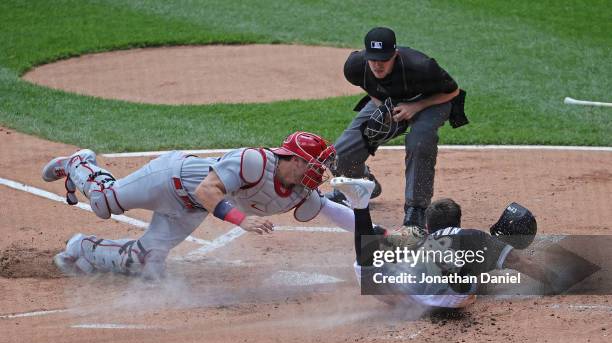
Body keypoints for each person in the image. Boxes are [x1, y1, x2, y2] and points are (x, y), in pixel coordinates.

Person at [42, 132, 358, 279]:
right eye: (313, 163)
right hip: (170, 179)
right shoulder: (253, 162)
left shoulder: (299, 193)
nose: (319, 171)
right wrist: (241, 221)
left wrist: (384, 236)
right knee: (103, 202)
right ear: (293, 158)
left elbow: (340, 216)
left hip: (188, 209)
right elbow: (208, 191)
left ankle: (81, 250)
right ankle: (79, 163)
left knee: (146, 262)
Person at [328, 177, 572, 309]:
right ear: (457, 221)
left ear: (428, 226)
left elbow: (379, 233)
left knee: (367, 263)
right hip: (448, 296)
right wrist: (555, 280)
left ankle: (360, 207)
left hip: (402, 290)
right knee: (470, 269)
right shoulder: (474, 236)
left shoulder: (416, 234)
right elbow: (520, 261)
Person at [327, 27, 468, 230]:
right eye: (373, 58)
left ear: (395, 54)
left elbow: (452, 91)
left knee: (419, 140)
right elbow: (369, 86)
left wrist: (415, 107)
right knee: (339, 153)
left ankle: (416, 209)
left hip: (431, 102)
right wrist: (382, 107)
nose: (377, 65)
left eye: (383, 59)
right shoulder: (355, 66)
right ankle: (363, 183)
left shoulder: (421, 66)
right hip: (392, 101)